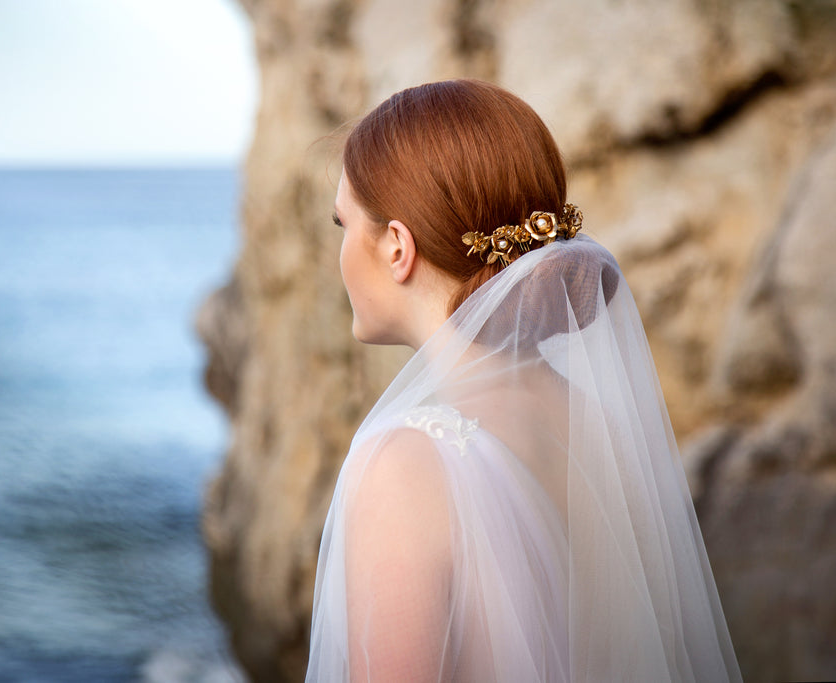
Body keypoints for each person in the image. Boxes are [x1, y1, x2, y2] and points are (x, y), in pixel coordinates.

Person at [306, 79, 741, 682]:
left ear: (397, 247)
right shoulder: (595, 419)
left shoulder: (403, 465)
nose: (341, 253)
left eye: (342, 225)